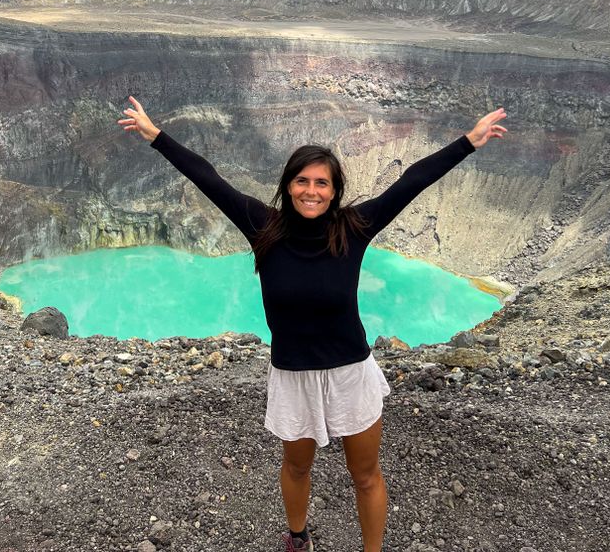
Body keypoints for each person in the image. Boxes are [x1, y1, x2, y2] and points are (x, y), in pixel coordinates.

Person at [118, 98, 507, 552]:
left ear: (334, 190)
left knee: (365, 475)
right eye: (302, 181)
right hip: (293, 374)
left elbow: (412, 182)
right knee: (297, 467)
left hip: (350, 372)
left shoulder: (354, 227)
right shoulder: (263, 227)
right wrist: (157, 137)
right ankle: (298, 537)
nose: (311, 191)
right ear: (288, 185)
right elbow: (209, 179)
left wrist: (468, 142)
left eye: (322, 183)